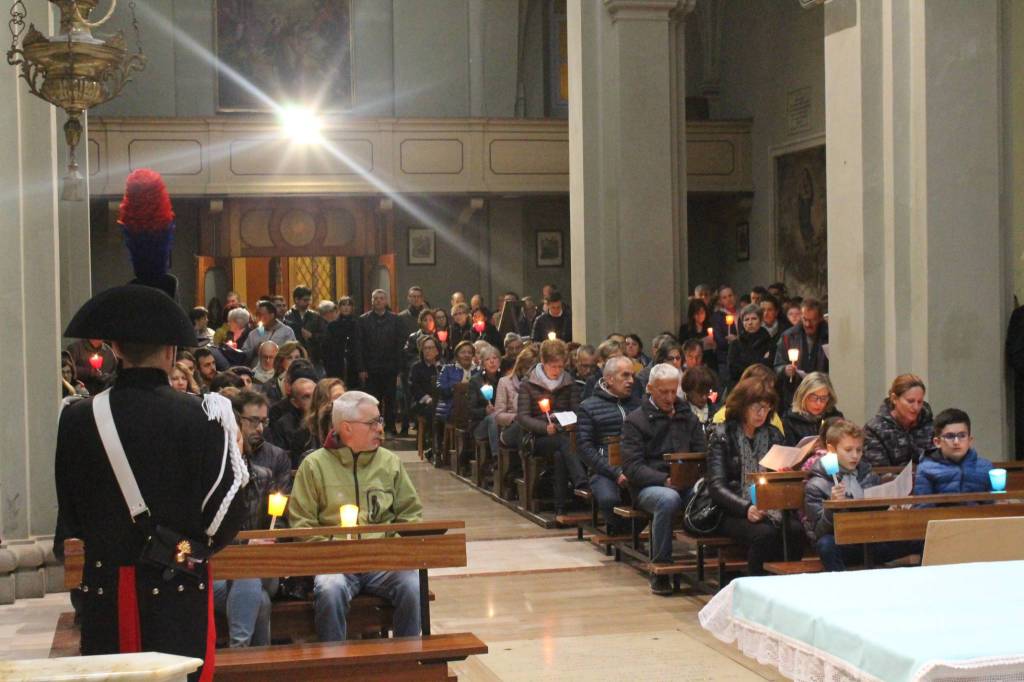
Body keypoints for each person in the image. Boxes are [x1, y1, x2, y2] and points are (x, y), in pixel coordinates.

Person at [55, 285, 246, 680]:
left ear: (116, 349)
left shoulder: (77, 418)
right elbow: (225, 519)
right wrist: (179, 554)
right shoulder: (205, 416)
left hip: (105, 589)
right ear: (172, 352)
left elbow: (69, 517)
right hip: (178, 586)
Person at [288, 391, 423, 642]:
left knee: (411, 587)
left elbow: (410, 514)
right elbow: (302, 522)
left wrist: (391, 546)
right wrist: (332, 550)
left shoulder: (390, 462)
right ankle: (335, 664)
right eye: (372, 423)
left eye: (380, 421)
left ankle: (407, 661)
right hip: (334, 562)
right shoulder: (314, 465)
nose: (380, 429)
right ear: (347, 428)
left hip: (382, 560)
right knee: (330, 590)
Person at [707, 378, 805, 575]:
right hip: (731, 510)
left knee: (795, 531)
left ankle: (785, 584)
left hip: (770, 506)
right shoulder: (722, 434)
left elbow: (782, 475)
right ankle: (755, 584)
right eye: (757, 407)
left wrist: (785, 476)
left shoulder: (773, 434)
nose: (762, 413)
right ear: (742, 405)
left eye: (767, 408)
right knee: (764, 533)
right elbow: (716, 486)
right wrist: (746, 508)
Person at [621, 363, 705, 594]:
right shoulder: (636, 421)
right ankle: (660, 567)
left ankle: (714, 558)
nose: (670, 397)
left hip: (685, 482)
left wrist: (693, 474)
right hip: (650, 486)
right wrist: (664, 479)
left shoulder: (687, 416)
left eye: (673, 391)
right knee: (667, 499)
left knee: (709, 494)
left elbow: (701, 452)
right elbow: (631, 466)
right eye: (663, 392)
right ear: (650, 388)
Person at [804, 419, 921, 571]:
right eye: (848, 450)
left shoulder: (868, 476)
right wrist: (832, 506)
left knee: (920, 536)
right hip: (844, 543)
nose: (855, 456)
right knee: (826, 545)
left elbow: (878, 514)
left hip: (871, 540)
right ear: (831, 450)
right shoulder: (816, 484)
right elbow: (819, 532)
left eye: (859, 450)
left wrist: (892, 510)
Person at [516, 339, 586, 514]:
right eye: (553, 366)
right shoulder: (528, 384)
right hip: (537, 438)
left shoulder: (569, 383)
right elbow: (523, 417)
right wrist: (543, 427)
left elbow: (577, 411)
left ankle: (560, 508)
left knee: (560, 453)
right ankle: (581, 481)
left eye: (561, 366)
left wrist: (566, 422)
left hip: (564, 433)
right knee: (563, 444)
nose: (557, 371)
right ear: (543, 363)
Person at [576, 356, 640, 537]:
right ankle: (624, 534)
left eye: (632, 376)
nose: (631, 381)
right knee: (609, 499)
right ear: (609, 379)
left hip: (635, 465)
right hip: (603, 469)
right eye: (625, 375)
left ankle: (630, 534)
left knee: (654, 498)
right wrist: (614, 472)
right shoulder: (588, 407)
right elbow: (585, 448)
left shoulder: (637, 404)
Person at [357, 289, 404, 435]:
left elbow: (399, 345)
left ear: (386, 301)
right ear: (371, 301)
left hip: (390, 367)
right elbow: (359, 346)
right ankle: (373, 428)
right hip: (371, 367)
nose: (378, 301)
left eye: (381, 298)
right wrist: (362, 368)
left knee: (390, 399)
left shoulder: (395, 320)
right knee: (372, 400)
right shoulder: (363, 320)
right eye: (375, 298)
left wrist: (399, 370)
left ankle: (390, 426)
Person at [915, 408, 993, 496]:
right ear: (937, 442)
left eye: (962, 435)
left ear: (970, 440)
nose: (956, 442)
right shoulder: (926, 469)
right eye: (949, 436)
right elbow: (923, 508)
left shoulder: (985, 467)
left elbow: (993, 505)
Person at [863, 374, 935, 467]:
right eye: (910, 401)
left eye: (920, 402)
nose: (916, 407)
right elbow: (879, 472)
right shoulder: (874, 429)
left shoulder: (930, 426)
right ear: (894, 399)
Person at [774, 298, 829, 408]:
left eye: (812, 320)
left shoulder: (829, 336)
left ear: (819, 319)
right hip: (795, 393)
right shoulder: (788, 337)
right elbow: (777, 365)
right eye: (805, 319)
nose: (808, 324)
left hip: (822, 392)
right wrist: (785, 370)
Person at [235, 389, 292, 494]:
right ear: (236, 419)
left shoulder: (277, 456)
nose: (260, 428)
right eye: (253, 421)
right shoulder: (222, 454)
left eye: (264, 421)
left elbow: (281, 498)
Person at [267, 360, 319, 467]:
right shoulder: (283, 425)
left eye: (315, 395)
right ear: (295, 402)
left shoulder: (327, 419)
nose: (313, 401)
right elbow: (282, 462)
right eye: (306, 397)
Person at [782, 372, 843, 446]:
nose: (819, 403)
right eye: (814, 398)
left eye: (823, 398)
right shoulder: (790, 420)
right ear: (803, 395)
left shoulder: (833, 416)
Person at [409, 337, 443, 459]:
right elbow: (414, 388)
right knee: (432, 411)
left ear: (437, 351)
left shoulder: (442, 367)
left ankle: (443, 445)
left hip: (440, 402)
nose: (428, 351)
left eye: (431, 348)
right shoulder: (416, 367)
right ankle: (432, 445)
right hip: (422, 403)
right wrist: (428, 399)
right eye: (425, 348)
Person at [468, 345, 503, 459]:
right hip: (479, 425)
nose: (492, 362)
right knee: (492, 418)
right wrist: (485, 411)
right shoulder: (475, 381)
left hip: (503, 421)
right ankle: (496, 458)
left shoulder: (504, 379)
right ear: (482, 363)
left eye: (495, 358)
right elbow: (470, 410)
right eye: (488, 359)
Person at [726, 304, 774, 386]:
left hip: (764, 385)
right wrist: (761, 361)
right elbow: (733, 370)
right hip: (741, 386)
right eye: (746, 320)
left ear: (761, 321)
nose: (750, 323)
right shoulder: (736, 344)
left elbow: (769, 367)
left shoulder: (769, 342)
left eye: (754, 319)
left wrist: (745, 362)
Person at [323, 296, 361, 389]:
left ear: (352, 308)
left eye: (349, 305)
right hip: (336, 363)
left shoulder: (358, 324)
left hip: (353, 363)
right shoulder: (332, 326)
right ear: (339, 307)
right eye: (343, 305)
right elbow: (326, 347)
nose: (346, 307)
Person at [303, 378, 346, 451]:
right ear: (323, 402)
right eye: (338, 397)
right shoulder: (305, 435)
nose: (345, 401)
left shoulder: (351, 426)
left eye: (345, 396)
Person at [681, 365, 719, 434]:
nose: (704, 397)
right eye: (700, 393)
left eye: (707, 392)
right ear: (688, 390)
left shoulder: (716, 412)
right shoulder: (680, 413)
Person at [709, 285, 739, 371]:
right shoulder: (717, 317)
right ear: (720, 301)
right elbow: (720, 340)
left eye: (730, 296)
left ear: (735, 296)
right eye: (724, 297)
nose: (729, 299)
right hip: (725, 359)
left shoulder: (741, 313)